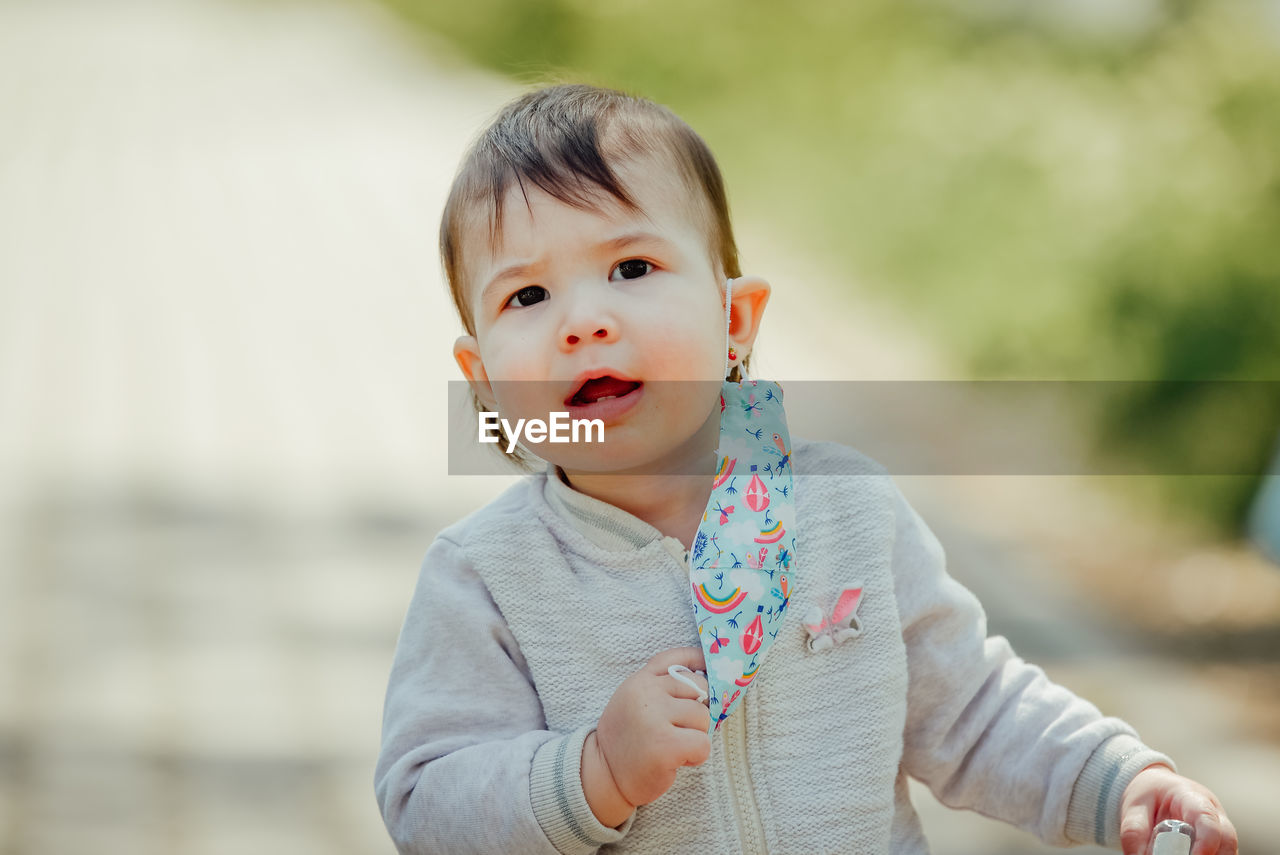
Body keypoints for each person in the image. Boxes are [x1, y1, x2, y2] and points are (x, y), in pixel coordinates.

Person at [374, 84, 1237, 855]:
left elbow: (971, 709)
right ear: (483, 381)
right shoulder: (486, 578)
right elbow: (425, 801)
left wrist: (1116, 778)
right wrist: (590, 770)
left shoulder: (841, 509)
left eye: (631, 268)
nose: (584, 321)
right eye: (528, 296)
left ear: (734, 321)